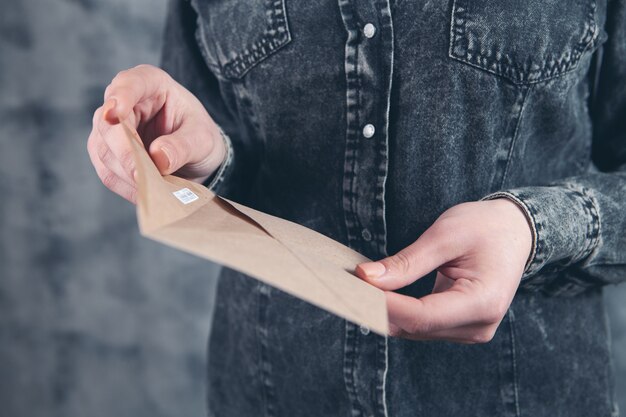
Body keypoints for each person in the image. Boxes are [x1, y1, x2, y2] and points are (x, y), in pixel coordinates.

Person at [87, 0, 625, 415]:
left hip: (525, 392)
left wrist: (534, 228)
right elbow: (222, 148)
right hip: (272, 390)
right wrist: (200, 161)